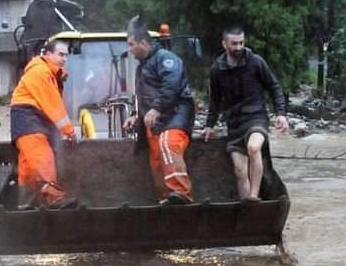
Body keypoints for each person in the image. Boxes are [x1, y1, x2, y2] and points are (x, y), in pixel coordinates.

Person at [202, 27, 289, 202]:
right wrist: (209, 125)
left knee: (254, 147)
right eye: (234, 43)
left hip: (256, 117)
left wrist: (280, 113)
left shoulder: (256, 62)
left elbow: (274, 87)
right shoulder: (217, 69)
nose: (239, 47)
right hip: (234, 122)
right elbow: (215, 100)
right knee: (240, 171)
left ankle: (254, 196)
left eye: (241, 42)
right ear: (224, 44)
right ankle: (248, 208)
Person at [122, 16, 195, 205]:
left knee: (167, 144)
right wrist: (136, 117)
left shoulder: (166, 59)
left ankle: (181, 192)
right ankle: (165, 198)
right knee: (155, 160)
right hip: (154, 122)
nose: (129, 50)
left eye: (131, 45)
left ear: (144, 43)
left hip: (175, 115)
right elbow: (143, 97)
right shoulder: (142, 67)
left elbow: (171, 86)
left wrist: (155, 109)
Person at [10, 40, 77, 209]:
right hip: (29, 118)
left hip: (26, 120)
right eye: (60, 54)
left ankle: (26, 203)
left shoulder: (46, 73)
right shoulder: (41, 72)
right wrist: (69, 131)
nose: (64, 59)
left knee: (27, 164)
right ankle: (53, 198)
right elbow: (53, 104)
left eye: (66, 56)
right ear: (47, 54)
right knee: (42, 157)